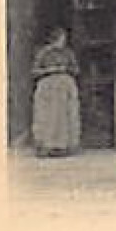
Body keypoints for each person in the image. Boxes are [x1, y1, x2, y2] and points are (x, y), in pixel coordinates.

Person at [30, 27, 81, 156]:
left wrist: (66, 69)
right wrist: (50, 70)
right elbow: (34, 71)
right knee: (48, 116)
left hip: (64, 87)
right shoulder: (43, 53)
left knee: (65, 116)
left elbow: (76, 69)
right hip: (48, 87)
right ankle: (47, 145)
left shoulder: (68, 53)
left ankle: (64, 146)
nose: (62, 41)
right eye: (60, 38)